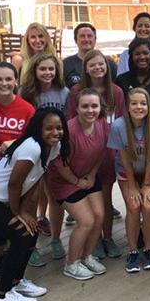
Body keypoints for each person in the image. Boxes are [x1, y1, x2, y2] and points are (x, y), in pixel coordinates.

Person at [0, 107, 68, 301]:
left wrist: (27, 212)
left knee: (32, 230)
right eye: (49, 128)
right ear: (38, 128)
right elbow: (14, 184)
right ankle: (3, 295)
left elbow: (34, 180)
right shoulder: (32, 147)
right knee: (21, 234)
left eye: (59, 128)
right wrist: (17, 213)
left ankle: (17, 282)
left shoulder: (54, 147)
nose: (55, 133)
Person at [0, 62, 36, 279]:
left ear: (16, 82)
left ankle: (17, 255)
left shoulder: (26, 109)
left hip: (14, 173)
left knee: (14, 215)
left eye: (8, 79)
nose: (4, 83)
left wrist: (13, 142)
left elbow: (32, 139)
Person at [107, 88, 150, 272]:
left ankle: (148, 250)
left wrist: (147, 184)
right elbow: (124, 158)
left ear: (149, 105)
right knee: (134, 206)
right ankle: (133, 251)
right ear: (127, 106)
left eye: (143, 103)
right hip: (128, 171)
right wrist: (134, 186)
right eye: (134, 103)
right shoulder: (119, 126)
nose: (138, 107)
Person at [70, 49, 126, 259]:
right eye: (92, 64)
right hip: (83, 156)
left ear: (107, 66)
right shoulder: (77, 92)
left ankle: (108, 237)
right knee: (87, 201)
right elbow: (70, 123)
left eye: (101, 64)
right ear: (85, 68)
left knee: (105, 199)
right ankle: (92, 240)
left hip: (108, 154)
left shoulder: (116, 92)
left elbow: (120, 123)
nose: (97, 68)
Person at [48, 89, 109, 280]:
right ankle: (71, 263)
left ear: (100, 108)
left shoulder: (103, 127)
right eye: (85, 106)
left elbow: (100, 153)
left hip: (87, 176)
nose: (90, 110)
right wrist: (76, 181)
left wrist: (91, 175)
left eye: (94, 106)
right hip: (63, 181)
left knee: (99, 215)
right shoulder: (67, 130)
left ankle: (86, 256)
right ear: (77, 107)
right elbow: (59, 163)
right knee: (86, 221)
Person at [19, 52, 70, 259]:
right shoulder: (26, 92)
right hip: (34, 150)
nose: (47, 72)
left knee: (55, 196)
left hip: (56, 151)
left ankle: (56, 239)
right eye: (43, 69)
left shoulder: (63, 92)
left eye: (51, 68)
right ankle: (31, 246)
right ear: (34, 71)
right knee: (31, 197)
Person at [116, 38, 150, 108]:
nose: (142, 57)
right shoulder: (121, 80)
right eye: (137, 54)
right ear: (131, 57)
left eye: (145, 53)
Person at [63, 23, 117, 89]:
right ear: (75, 40)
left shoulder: (108, 63)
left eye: (89, 36)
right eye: (82, 36)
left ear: (95, 39)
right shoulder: (66, 64)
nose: (86, 39)